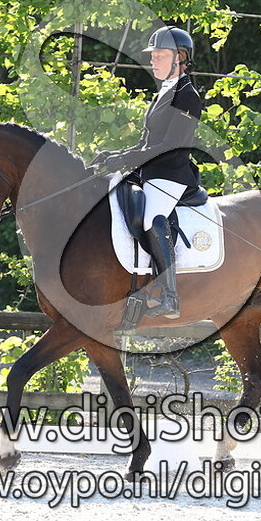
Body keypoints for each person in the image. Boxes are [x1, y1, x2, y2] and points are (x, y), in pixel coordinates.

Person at [94, 26, 203, 319]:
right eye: (152, 55)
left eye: (160, 55)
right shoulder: (164, 92)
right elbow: (146, 143)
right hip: (150, 171)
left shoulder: (188, 96)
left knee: (152, 218)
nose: (152, 60)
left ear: (180, 58)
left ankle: (170, 296)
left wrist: (127, 159)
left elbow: (170, 146)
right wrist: (115, 156)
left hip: (171, 174)